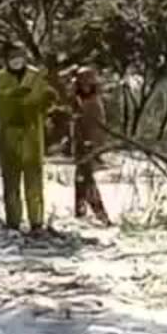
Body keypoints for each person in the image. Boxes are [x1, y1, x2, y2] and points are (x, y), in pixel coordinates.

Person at [0, 45, 57, 233]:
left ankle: (37, 222)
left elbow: (46, 102)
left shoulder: (37, 77)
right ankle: (13, 222)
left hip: (32, 133)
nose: (16, 60)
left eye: (19, 56)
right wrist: (14, 95)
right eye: (12, 56)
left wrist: (48, 101)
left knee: (34, 179)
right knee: (11, 180)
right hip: (9, 133)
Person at [69, 66, 112, 226]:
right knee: (80, 180)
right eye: (82, 82)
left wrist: (93, 146)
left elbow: (97, 128)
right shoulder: (78, 101)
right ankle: (80, 213)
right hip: (79, 146)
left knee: (86, 180)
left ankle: (100, 214)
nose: (85, 86)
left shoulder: (93, 103)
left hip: (88, 147)